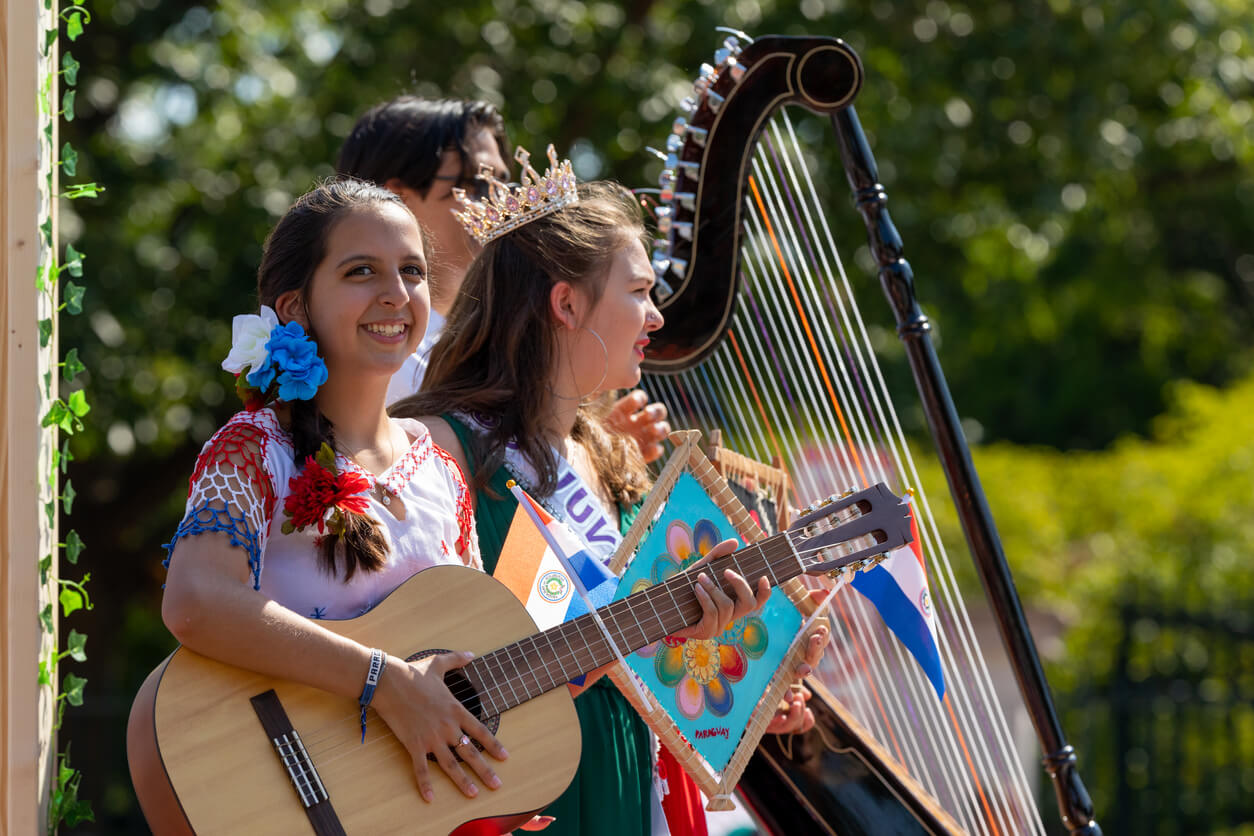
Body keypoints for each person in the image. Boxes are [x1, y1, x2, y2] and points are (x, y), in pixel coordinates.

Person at [157, 176, 753, 829]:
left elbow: (499, 666)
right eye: (362, 271)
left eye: (412, 271)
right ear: (296, 307)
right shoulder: (253, 448)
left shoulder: (439, 470)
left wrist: (670, 619)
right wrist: (384, 682)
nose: (395, 293)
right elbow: (195, 603)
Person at [394, 150, 824, 836]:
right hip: (503, 793)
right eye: (640, 292)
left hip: (622, 781)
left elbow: (617, 654)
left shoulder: (614, 463)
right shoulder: (436, 448)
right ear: (566, 303)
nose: (655, 318)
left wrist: (748, 676)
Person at [337, 95, 672, 462]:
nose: (499, 201)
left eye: (504, 184)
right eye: (479, 185)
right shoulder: (371, 353)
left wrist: (592, 453)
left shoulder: (507, 343)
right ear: (395, 197)